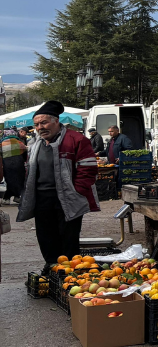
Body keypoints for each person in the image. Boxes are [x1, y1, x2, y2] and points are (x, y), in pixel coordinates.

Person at [15, 101, 99, 266]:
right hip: (42, 199)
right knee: (46, 237)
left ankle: (69, 273)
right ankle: (52, 268)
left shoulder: (76, 139)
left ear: (56, 121)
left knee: (68, 239)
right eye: (37, 124)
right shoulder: (34, 144)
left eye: (44, 122)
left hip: (68, 197)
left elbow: (88, 169)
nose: (40, 127)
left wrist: (77, 191)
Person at [1, 127, 26, 202]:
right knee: (18, 180)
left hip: (7, 166)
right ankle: (17, 196)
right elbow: (25, 155)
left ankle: (7, 198)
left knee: (9, 181)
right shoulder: (20, 143)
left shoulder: (2, 144)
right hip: (19, 165)